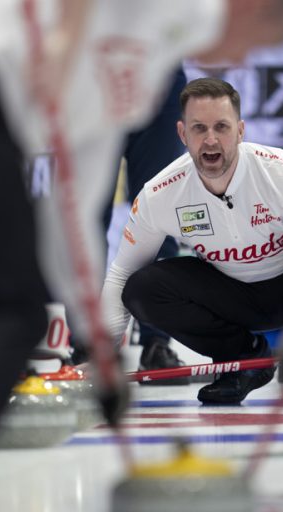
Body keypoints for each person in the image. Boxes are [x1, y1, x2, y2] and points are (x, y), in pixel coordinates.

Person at [0, 1, 283, 510]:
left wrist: (98, 346)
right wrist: (68, 39)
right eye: (265, 36)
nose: (252, 56)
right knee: (10, 319)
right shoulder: (186, 11)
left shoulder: (146, 81)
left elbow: (71, 219)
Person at [101, 77, 283, 406]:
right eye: (199, 129)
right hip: (231, 298)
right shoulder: (159, 194)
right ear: (182, 134)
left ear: (240, 131)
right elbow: (121, 272)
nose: (210, 140)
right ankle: (241, 362)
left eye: (221, 127)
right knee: (140, 288)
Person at [100, 69, 192, 385]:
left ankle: (157, 342)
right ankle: (86, 341)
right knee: (86, 215)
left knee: (159, 208)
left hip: (159, 82)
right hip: (95, 81)